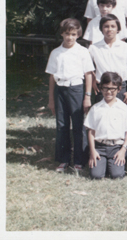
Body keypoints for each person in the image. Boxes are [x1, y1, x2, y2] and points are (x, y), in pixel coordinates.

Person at [46, 18, 95, 173]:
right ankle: (63, 159)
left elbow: (88, 75)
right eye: (67, 34)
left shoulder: (82, 51)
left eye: (73, 34)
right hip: (60, 90)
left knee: (78, 125)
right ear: (62, 34)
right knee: (62, 125)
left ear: (78, 35)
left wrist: (87, 96)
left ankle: (80, 160)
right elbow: (52, 77)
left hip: (76, 89)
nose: (70, 37)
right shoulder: (56, 53)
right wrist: (51, 100)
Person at [85, 71, 127, 179]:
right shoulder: (96, 108)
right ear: (101, 88)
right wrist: (92, 151)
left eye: (112, 88)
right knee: (96, 176)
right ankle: (102, 164)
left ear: (118, 89)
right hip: (99, 147)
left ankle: (111, 165)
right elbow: (91, 131)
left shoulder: (124, 109)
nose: (109, 91)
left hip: (117, 147)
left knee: (117, 175)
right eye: (105, 88)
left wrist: (123, 150)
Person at [87, 14, 127, 105]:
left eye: (113, 26)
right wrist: (94, 80)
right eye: (106, 26)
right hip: (102, 88)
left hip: (120, 88)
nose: (109, 29)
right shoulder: (93, 48)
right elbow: (89, 68)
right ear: (101, 29)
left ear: (118, 29)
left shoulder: (126, 47)